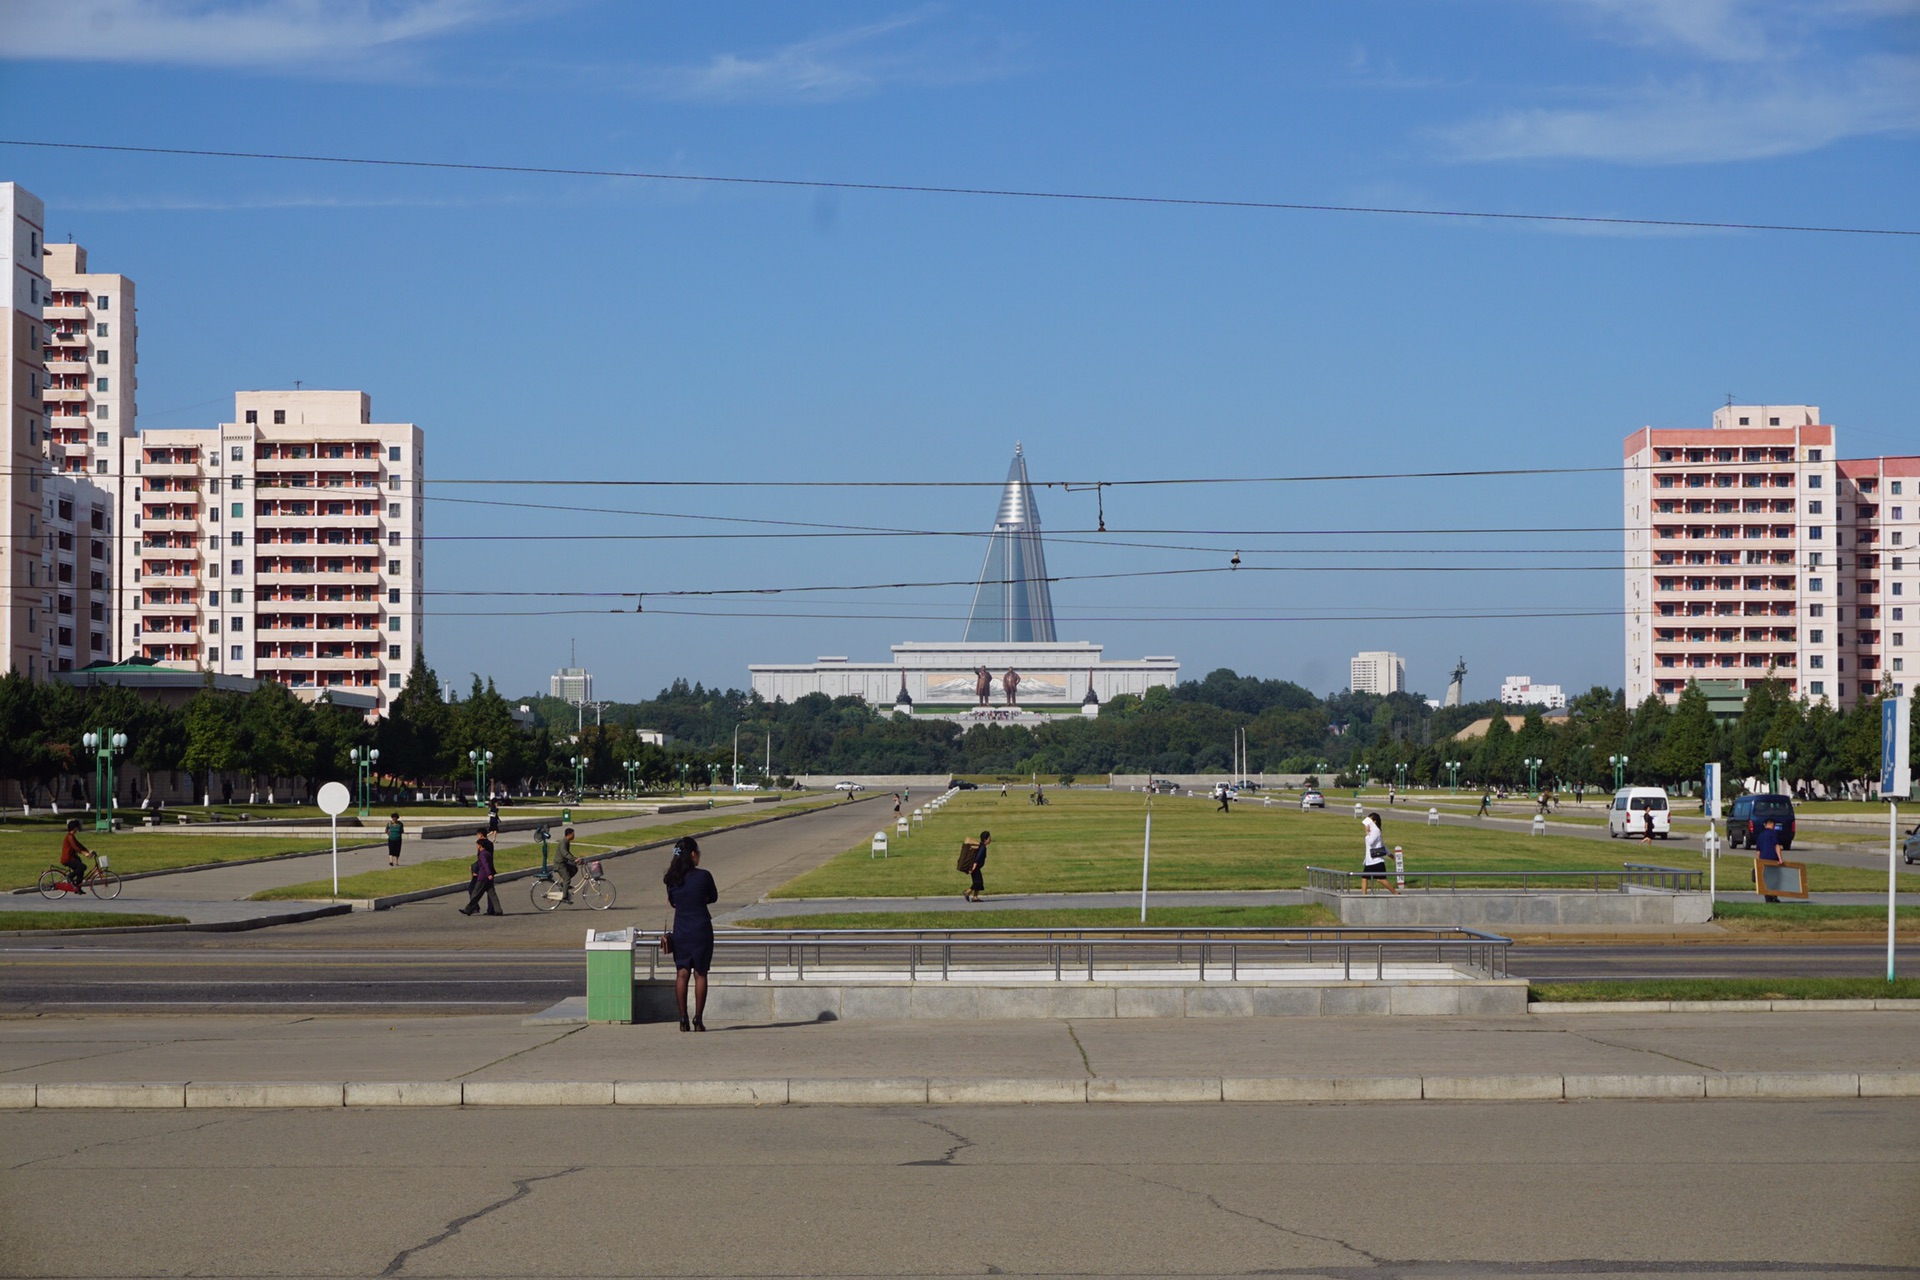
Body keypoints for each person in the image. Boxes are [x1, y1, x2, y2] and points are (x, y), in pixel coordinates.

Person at [663, 837, 718, 1031]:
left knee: (682, 973)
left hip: (681, 929)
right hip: (701, 928)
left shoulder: (671, 879)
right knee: (701, 974)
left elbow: (673, 902)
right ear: (693, 854)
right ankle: (698, 1019)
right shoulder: (704, 876)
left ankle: (682, 1018)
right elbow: (713, 897)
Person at [459, 828, 502, 916]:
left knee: (475, 892)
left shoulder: (482, 853)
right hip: (489, 873)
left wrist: (476, 870)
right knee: (492, 894)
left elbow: (483, 862)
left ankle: (469, 909)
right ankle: (497, 910)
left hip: (483, 875)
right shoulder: (488, 850)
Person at [1360, 811, 1398, 895]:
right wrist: (1389, 854)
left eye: (1370, 820)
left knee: (1381, 879)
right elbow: (1382, 845)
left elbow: (1371, 842)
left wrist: (1367, 833)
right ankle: (1363, 896)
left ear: (1374, 821)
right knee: (1364, 878)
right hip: (1369, 860)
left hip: (1376, 860)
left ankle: (1395, 893)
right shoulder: (1373, 831)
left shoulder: (1376, 831)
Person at [58, 819, 92, 894]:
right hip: (68, 858)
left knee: (80, 871)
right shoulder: (69, 837)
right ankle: (69, 877)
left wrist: (88, 851)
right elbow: (75, 847)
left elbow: (79, 845)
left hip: (73, 857)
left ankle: (77, 888)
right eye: (77, 827)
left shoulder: (72, 836)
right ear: (74, 828)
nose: (78, 828)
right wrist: (84, 853)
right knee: (83, 867)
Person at [1755, 816, 1783, 903]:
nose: (1774, 827)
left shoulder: (1760, 835)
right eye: (1774, 825)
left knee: (1766, 879)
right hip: (1772, 859)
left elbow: (1758, 851)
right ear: (1770, 824)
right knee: (1775, 879)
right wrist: (1780, 858)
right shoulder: (1773, 833)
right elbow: (1776, 846)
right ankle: (1774, 896)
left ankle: (1768, 898)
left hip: (1763, 860)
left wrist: (1757, 862)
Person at [963, 829, 991, 902]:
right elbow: (978, 856)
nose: (990, 839)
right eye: (989, 838)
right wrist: (974, 865)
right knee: (978, 882)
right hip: (975, 867)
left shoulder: (981, 845)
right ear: (985, 839)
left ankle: (975, 897)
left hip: (976, 867)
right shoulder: (983, 847)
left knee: (978, 882)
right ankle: (967, 892)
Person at [557, 825, 579, 902]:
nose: (574, 836)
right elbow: (565, 854)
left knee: (574, 869)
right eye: (573, 834)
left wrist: (575, 859)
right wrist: (574, 859)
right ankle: (564, 897)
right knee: (567, 879)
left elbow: (569, 853)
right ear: (568, 834)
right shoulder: (563, 842)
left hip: (564, 863)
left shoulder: (567, 842)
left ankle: (563, 885)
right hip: (559, 864)